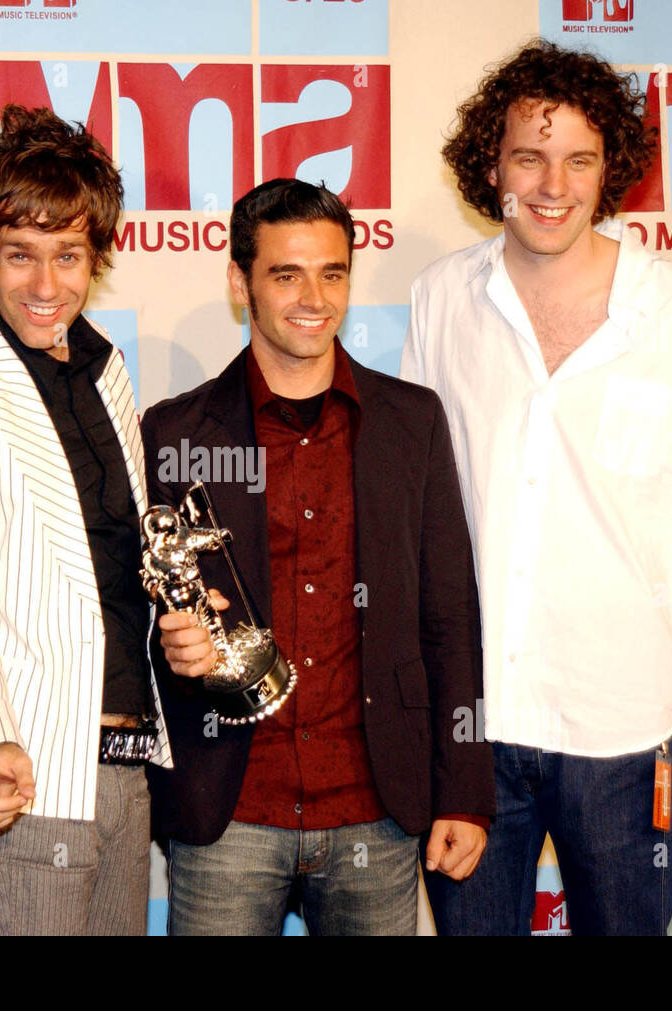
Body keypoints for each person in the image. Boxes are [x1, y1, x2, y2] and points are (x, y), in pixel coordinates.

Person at [400, 40, 672, 935]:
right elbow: (416, 524)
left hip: (624, 735)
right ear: (490, 166)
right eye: (529, 157)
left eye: (579, 159)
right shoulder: (440, 302)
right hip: (475, 727)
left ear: (609, 169)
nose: (553, 184)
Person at [143, 178, 494, 936]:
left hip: (378, 812)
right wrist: (169, 645)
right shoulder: (174, 433)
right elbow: (139, 610)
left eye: (333, 273)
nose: (314, 296)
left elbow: (450, 617)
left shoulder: (411, 421)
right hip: (230, 814)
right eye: (286, 273)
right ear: (241, 283)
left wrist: (463, 788)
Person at [0, 105, 170, 936]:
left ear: (97, 258)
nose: (46, 286)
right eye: (21, 256)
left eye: (68, 256)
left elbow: (111, 564)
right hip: (26, 777)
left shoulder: (105, 368)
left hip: (123, 767)